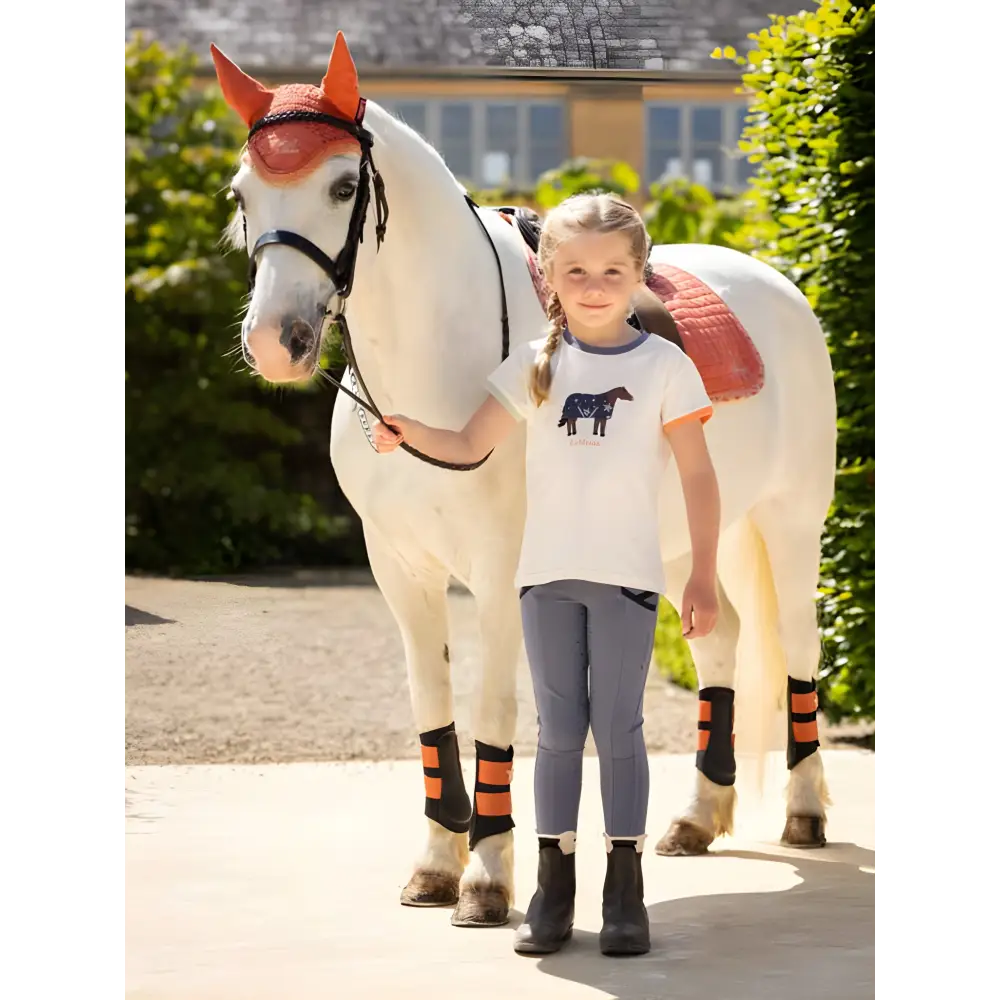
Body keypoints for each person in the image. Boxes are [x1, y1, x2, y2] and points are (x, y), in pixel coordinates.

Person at [372, 192, 720, 957]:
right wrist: (411, 432)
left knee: (620, 731)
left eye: (612, 270)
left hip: (628, 579)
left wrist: (701, 574)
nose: (594, 285)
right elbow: (470, 443)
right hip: (546, 580)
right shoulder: (536, 363)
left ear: (638, 275)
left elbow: (698, 475)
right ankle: (552, 889)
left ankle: (625, 891)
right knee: (559, 734)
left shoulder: (665, 364)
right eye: (575, 271)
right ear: (549, 277)